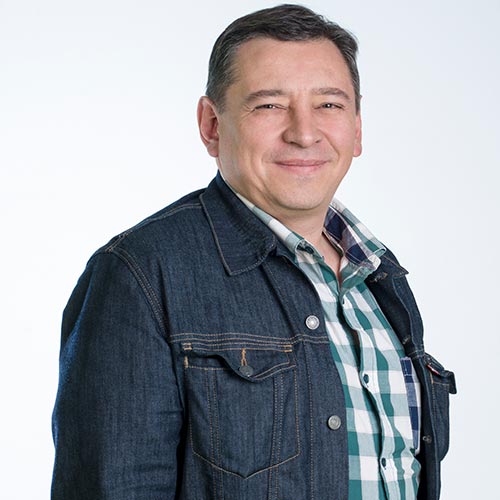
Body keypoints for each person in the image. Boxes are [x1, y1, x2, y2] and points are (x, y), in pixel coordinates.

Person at [51, 4, 456, 499]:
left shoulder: (380, 278)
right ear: (212, 126)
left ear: (357, 127)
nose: (304, 133)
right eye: (269, 106)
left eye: (329, 105)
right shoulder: (141, 275)